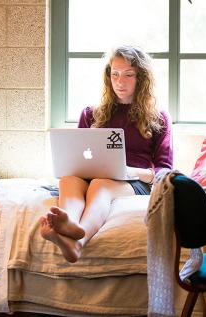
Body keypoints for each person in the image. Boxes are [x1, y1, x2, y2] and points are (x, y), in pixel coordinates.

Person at [40, 44, 173, 263]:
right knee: (69, 178)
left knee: (100, 184)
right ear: (108, 76)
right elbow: (76, 156)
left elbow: (165, 170)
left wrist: (131, 171)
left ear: (141, 78)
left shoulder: (158, 117)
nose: (120, 81)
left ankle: (78, 242)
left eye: (129, 75)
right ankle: (68, 224)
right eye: (115, 74)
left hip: (133, 182)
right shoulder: (91, 114)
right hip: (91, 176)